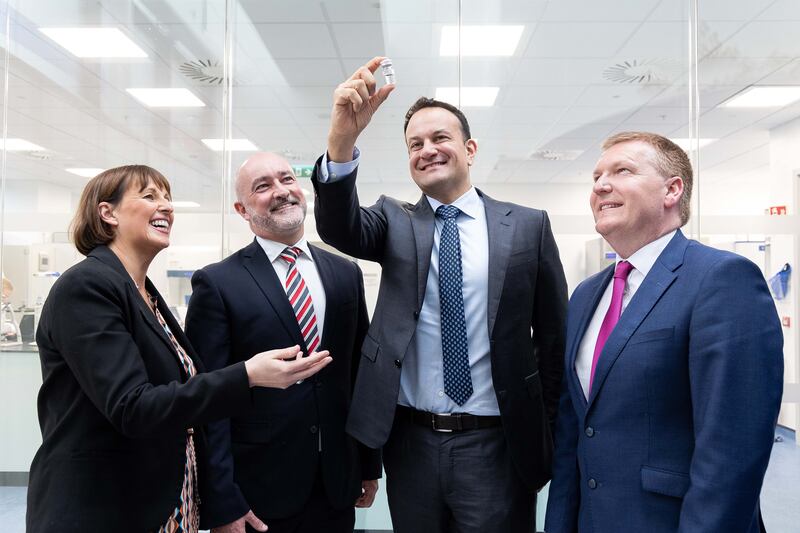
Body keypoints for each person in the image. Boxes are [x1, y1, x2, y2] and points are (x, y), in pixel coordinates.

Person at [312, 56, 569, 533]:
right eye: (415, 144)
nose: (427, 150)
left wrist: (546, 432)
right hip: (411, 444)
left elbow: (554, 341)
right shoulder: (393, 220)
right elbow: (338, 227)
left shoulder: (527, 226)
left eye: (440, 138)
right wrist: (342, 140)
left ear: (470, 149)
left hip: (497, 445)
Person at [26, 165, 332, 533]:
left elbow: (181, 399)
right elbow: (133, 407)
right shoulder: (87, 286)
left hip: (164, 502)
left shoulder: (144, 293)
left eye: (168, 197)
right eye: (149, 196)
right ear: (108, 213)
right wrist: (247, 375)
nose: (167, 206)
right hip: (103, 505)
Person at [544, 132, 784, 533]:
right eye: (597, 176)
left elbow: (733, 450)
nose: (601, 185)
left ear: (672, 190)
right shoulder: (587, 295)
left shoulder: (721, 279)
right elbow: (574, 433)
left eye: (622, 171)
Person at [185, 152, 380, 533]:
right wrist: (222, 499)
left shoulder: (345, 272)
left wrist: (369, 463)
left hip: (337, 481)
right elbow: (209, 400)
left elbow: (361, 374)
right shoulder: (217, 283)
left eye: (287, 179)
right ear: (242, 210)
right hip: (258, 490)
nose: (280, 191)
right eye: (263, 186)